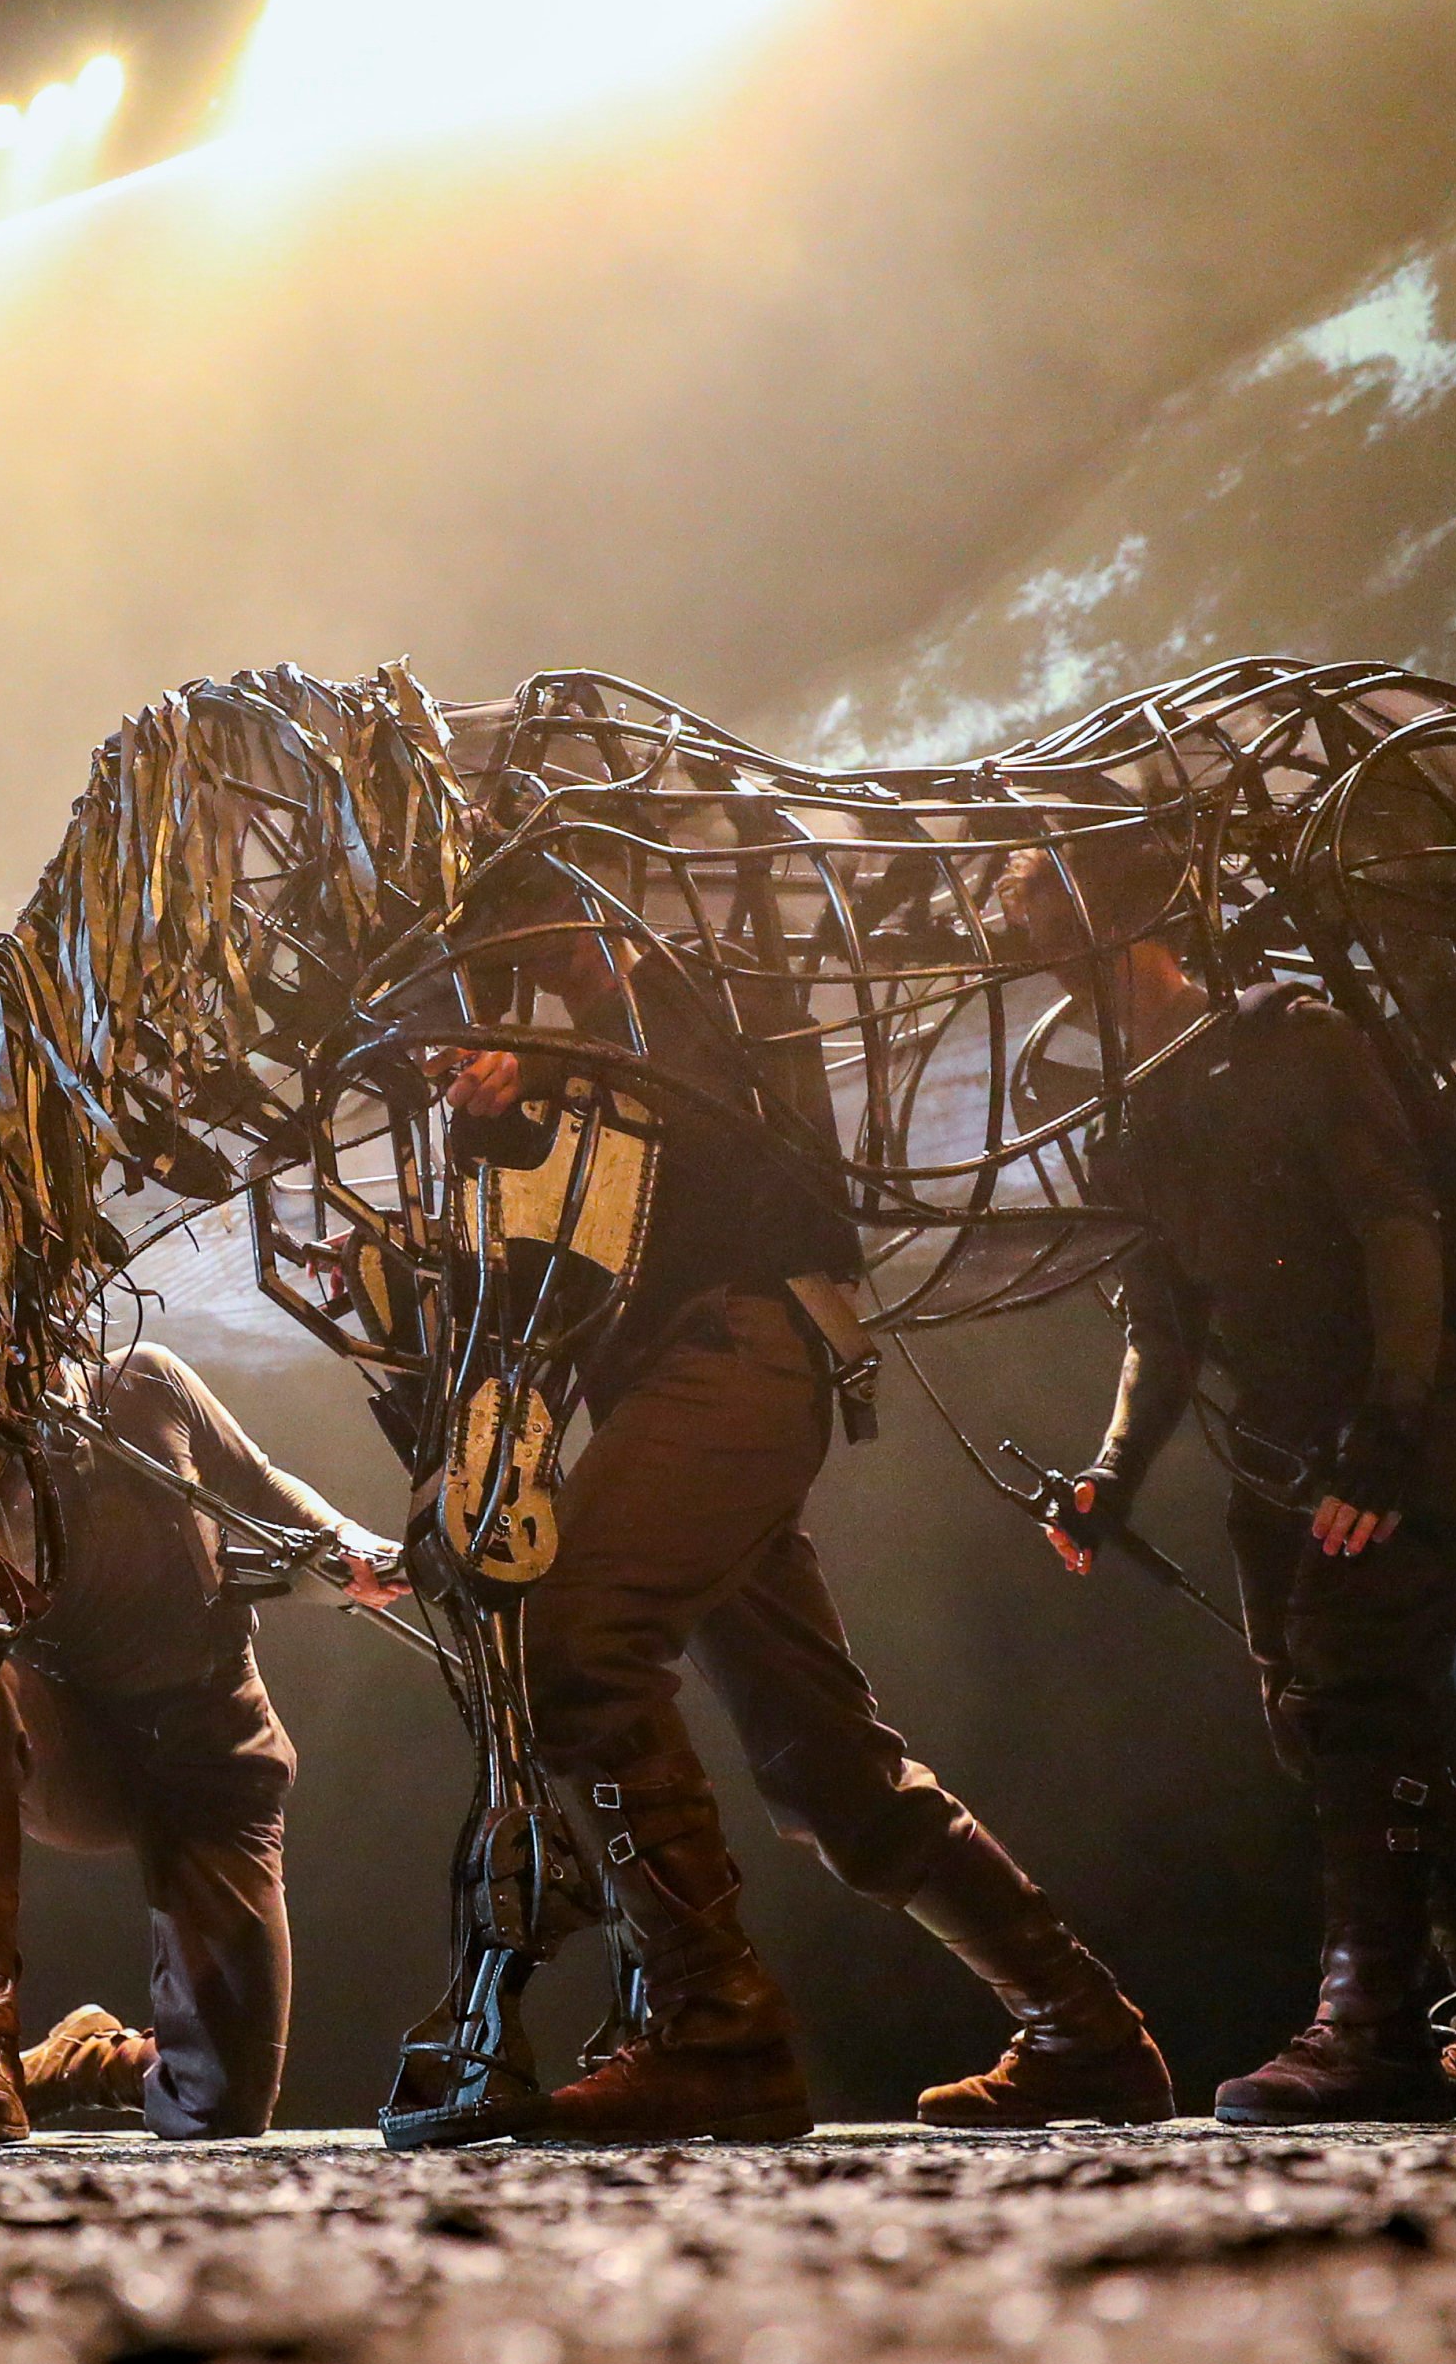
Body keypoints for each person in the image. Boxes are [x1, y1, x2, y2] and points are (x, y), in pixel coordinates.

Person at [428, 890, 1174, 2140]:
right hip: (691, 1380)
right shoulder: (595, 1038)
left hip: (742, 1360)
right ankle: (1085, 2033)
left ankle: (716, 2026)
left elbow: (724, 1128)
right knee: (827, 1766)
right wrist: (510, 1115)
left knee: (575, 1642)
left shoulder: (712, 990)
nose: (509, 953)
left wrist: (547, 1070)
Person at [996, 835, 1456, 2123]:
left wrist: (1390, 1432)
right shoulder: (1125, 1097)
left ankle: (1370, 2029)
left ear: (1129, 915)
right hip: (1283, 1441)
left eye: (1040, 887)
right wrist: (1109, 1475)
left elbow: (1401, 1226)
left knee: (1353, 1700)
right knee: (1327, 1722)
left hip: (1391, 1416)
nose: (1015, 913)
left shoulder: (1298, 1042)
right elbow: (1160, 1318)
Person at [0, 1341, 409, 2147]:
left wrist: (349, 1543)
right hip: (73, 1745)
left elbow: (255, 1483)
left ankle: (87, 2060)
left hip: (207, 1750)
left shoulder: (144, 1379)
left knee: (218, 2103)